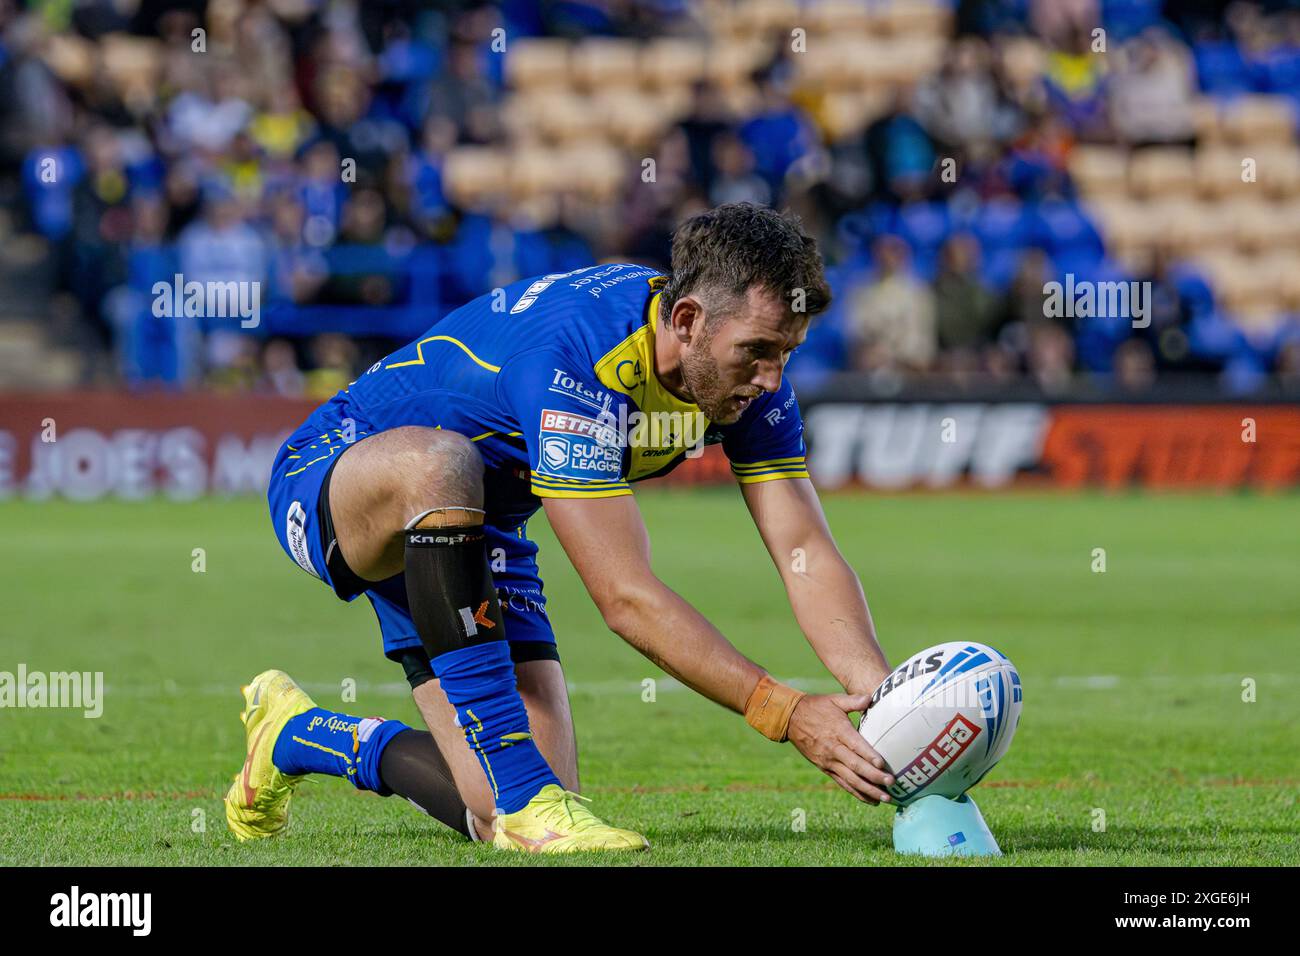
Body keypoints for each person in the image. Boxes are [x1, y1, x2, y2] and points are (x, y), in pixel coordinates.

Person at [231, 203, 894, 853]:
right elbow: (624, 595)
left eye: (787, 353)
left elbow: (803, 548)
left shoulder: (743, 374)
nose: (773, 377)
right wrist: (783, 709)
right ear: (688, 320)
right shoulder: (579, 353)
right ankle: (525, 798)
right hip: (336, 474)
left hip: (477, 530)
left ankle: (298, 733)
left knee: (493, 815)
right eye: (758, 351)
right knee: (443, 461)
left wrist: (886, 702)